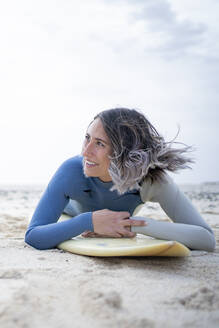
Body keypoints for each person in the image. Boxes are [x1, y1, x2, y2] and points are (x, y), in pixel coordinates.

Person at [25, 108, 216, 251]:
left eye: (99, 143)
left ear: (124, 152)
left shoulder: (151, 179)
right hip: (71, 210)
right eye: (87, 138)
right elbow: (34, 236)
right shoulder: (71, 171)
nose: (85, 152)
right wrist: (87, 221)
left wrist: (133, 224)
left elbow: (206, 239)